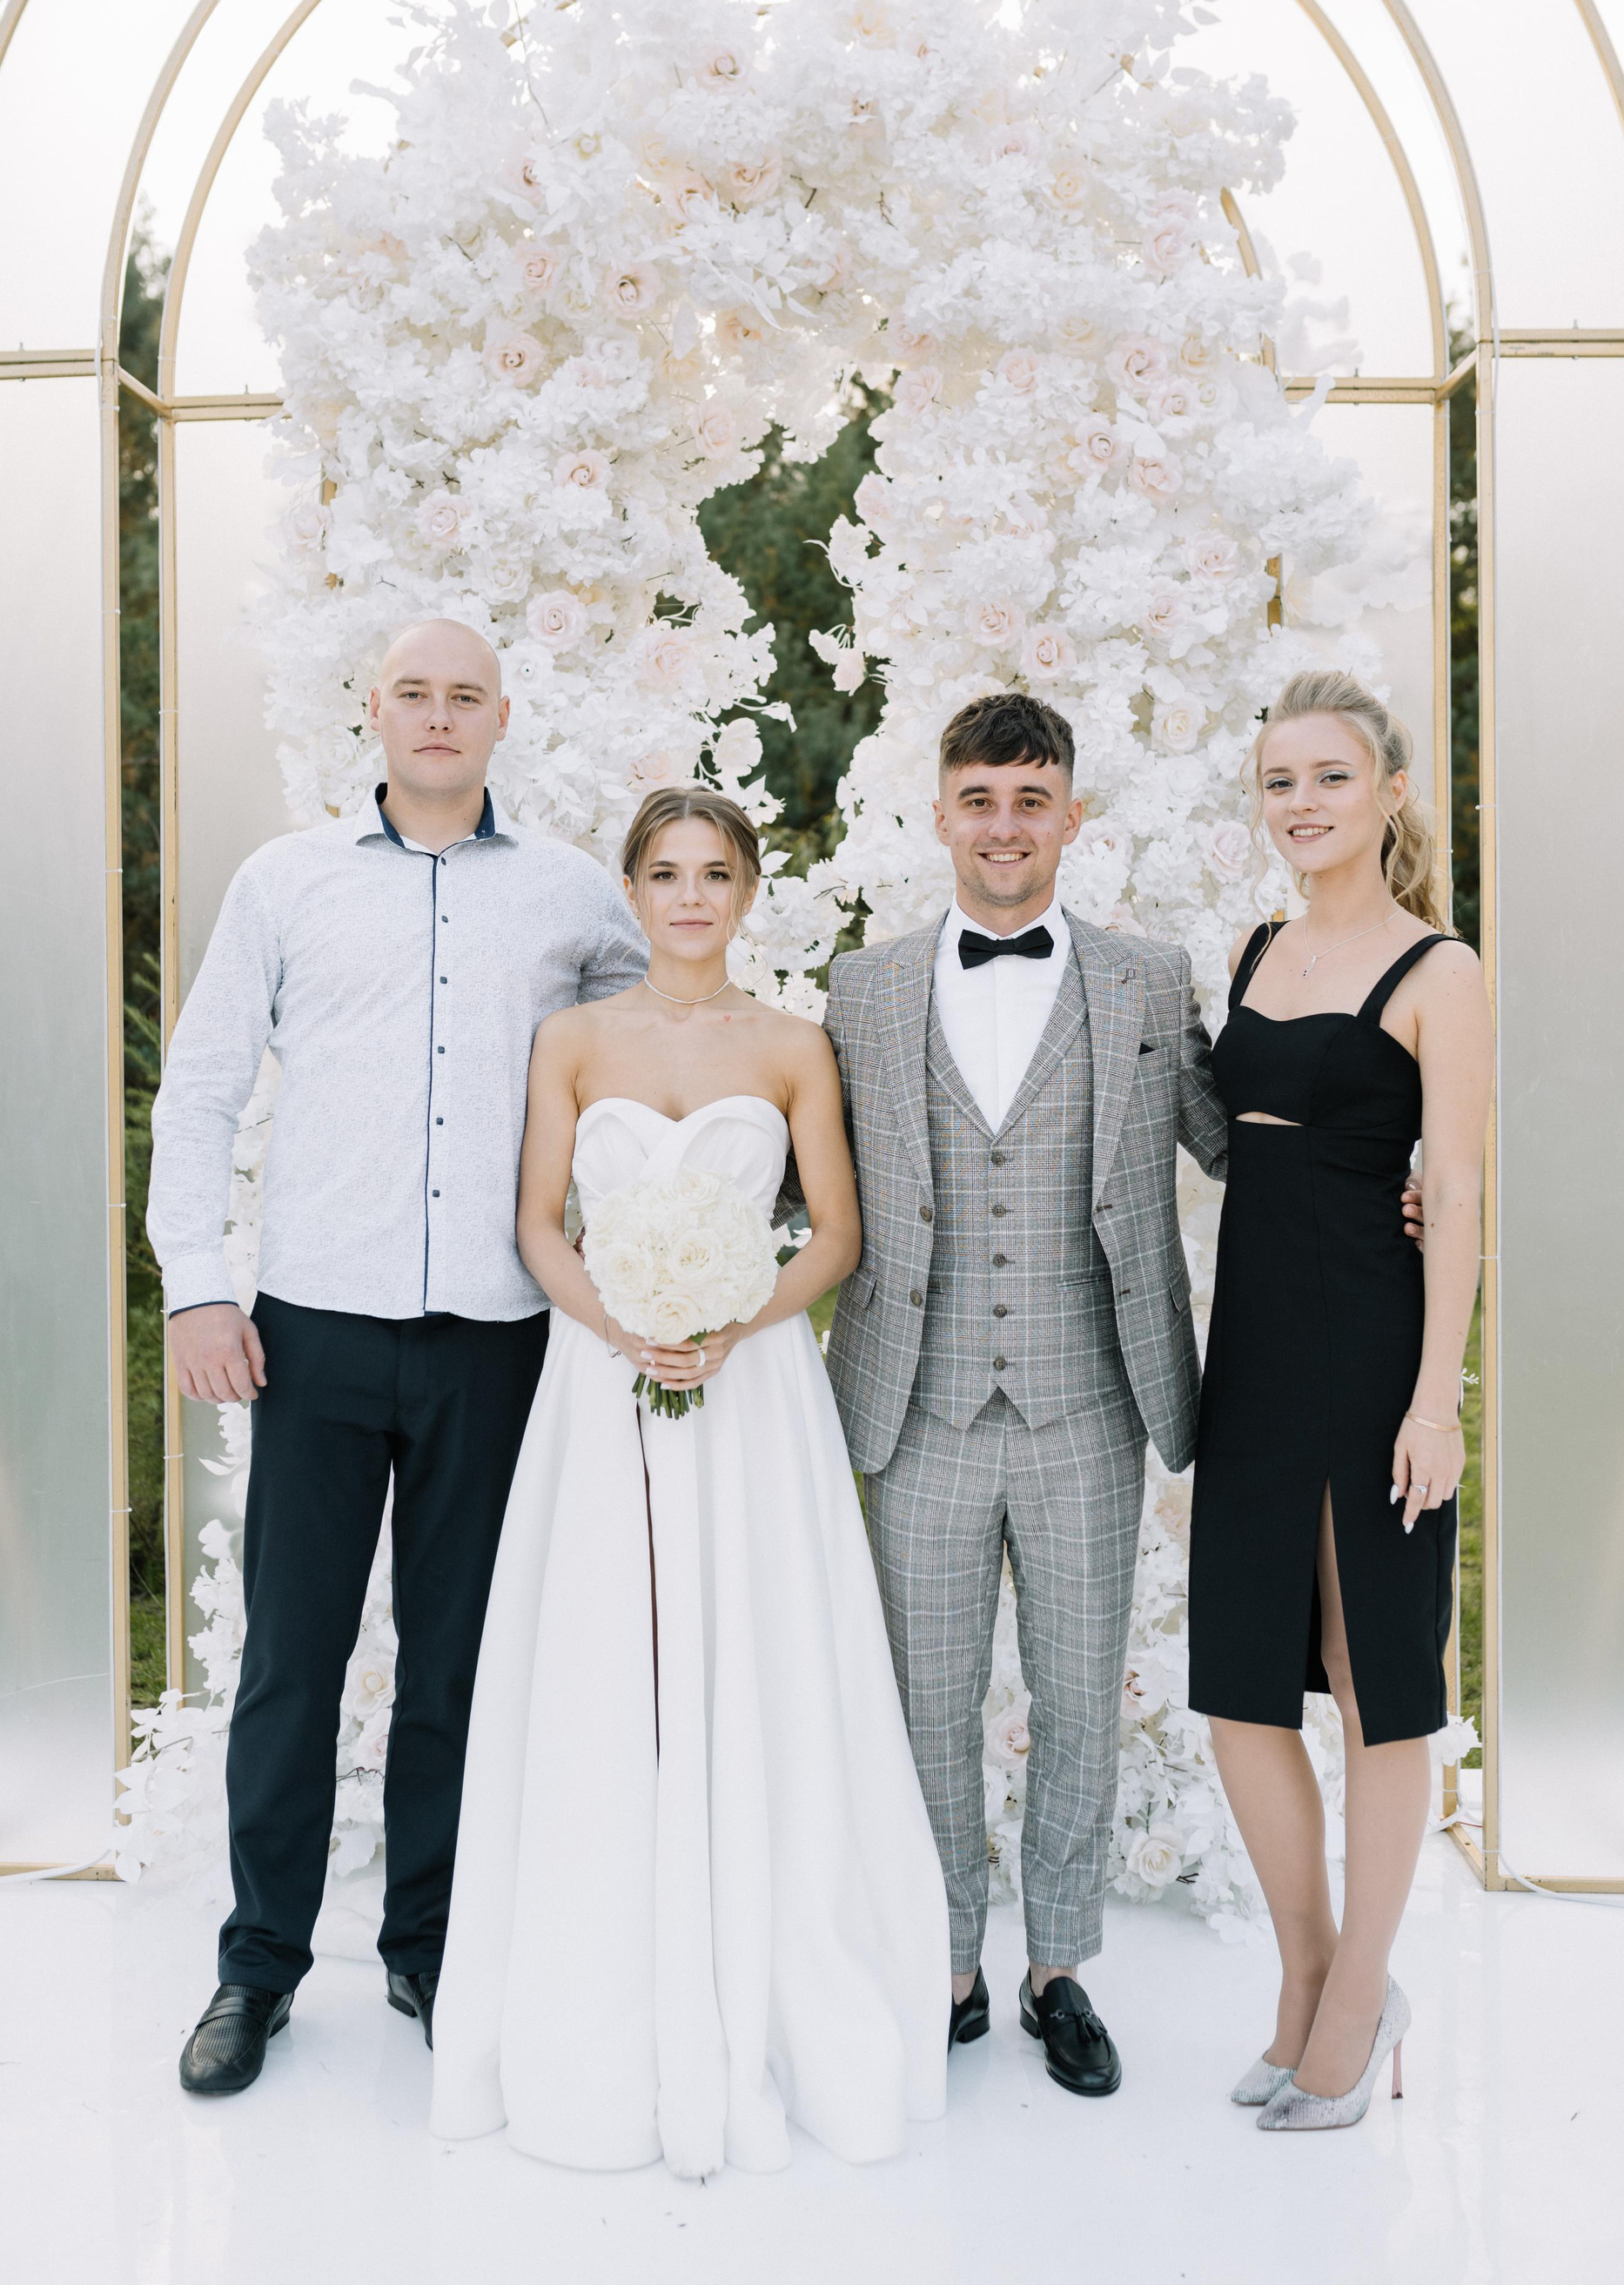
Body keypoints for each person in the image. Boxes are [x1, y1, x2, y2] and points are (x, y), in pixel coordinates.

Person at [148, 618, 647, 2098]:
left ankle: (432, 1949)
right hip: (309, 1334)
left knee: (459, 1669)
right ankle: (258, 1965)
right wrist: (197, 1289)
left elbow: (647, 1063)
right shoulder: (283, 883)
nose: (438, 716)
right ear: (372, 709)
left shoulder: (571, 896)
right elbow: (203, 1087)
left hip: (495, 1338)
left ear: (503, 717)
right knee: (289, 1665)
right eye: (414, 694)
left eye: (464, 696)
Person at [429, 787, 949, 2176]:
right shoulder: (573, 1040)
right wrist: (623, 1322)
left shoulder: (791, 1045)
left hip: (751, 1382)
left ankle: (767, 1954)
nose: (691, 898)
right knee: (606, 1652)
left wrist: (730, 1321)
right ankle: (604, 1972)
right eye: (666, 874)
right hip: (602, 1379)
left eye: (715, 874)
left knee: (757, 1646)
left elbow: (833, 1233)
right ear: (633, 891)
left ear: (748, 890)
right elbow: (538, 1223)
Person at [821, 692, 1229, 2099]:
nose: (1006, 827)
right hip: (914, 1406)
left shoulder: (1147, 981)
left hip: (1090, 1409)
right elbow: (802, 1170)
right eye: (981, 801)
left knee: (1078, 1701)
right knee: (924, 1706)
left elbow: (1237, 1144)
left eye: (1032, 800)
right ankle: (945, 1963)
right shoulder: (862, 990)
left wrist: (1393, 1178)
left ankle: (1059, 1968)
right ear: (942, 814)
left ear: (1071, 816)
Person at [1188, 669, 1492, 2133]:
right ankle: (1306, 1970)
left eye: (1328, 777)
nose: (1300, 803)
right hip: (1252, 1348)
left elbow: (1463, 1191)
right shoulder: (1254, 947)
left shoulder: (1441, 969)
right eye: (1279, 781)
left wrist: (1436, 1403)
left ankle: (1363, 1996)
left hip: (1374, 1350)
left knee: (1377, 1684)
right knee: (1241, 1689)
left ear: (1388, 793)